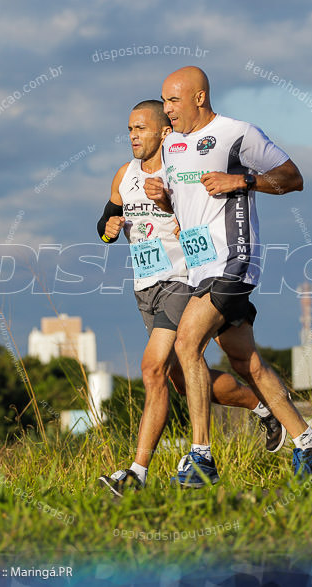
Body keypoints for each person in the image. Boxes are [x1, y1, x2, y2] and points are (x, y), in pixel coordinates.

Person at [145, 67, 312, 488]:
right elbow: (182, 207)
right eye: (164, 101)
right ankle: (309, 441)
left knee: (185, 342)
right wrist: (163, 200)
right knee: (245, 361)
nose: (167, 109)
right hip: (201, 265)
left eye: (173, 100)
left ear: (199, 98)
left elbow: (292, 179)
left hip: (234, 258)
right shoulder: (173, 144)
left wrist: (243, 179)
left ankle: (201, 457)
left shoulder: (237, 133)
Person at [96, 100, 286, 496]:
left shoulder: (178, 170)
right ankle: (263, 407)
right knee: (186, 379)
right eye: (129, 129)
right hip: (145, 286)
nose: (133, 136)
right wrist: (109, 229)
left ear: (164, 132)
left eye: (141, 128)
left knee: (152, 369)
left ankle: (137, 473)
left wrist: (167, 202)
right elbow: (104, 224)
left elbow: (198, 220)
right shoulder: (124, 176)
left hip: (182, 279)